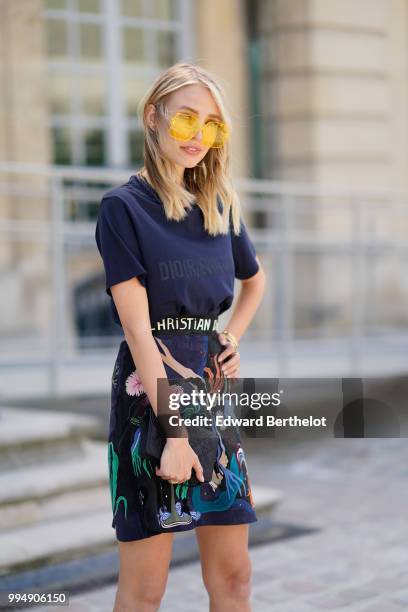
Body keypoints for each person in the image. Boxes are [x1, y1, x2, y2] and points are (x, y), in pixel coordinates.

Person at [95, 62, 266, 612]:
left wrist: (229, 338)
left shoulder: (219, 206)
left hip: (212, 396)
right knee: (147, 590)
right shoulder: (123, 209)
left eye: (212, 125)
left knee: (235, 576)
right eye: (187, 118)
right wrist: (174, 434)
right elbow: (139, 331)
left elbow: (254, 281)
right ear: (154, 117)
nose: (199, 136)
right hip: (153, 398)